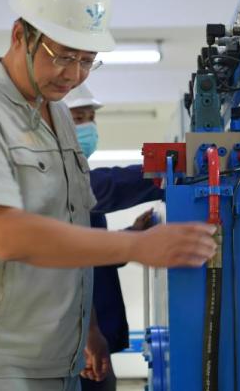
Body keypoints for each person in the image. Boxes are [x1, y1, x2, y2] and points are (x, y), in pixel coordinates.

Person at [0, 0, 216, 391]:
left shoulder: (59, 116)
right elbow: (8, 236)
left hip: (60, 361)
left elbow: (72, 222)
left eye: (87, 60)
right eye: (63, 56)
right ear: (20, 35)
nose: (74, 75)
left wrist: (89, 328)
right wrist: (137, 245)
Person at [64, 84, 164, 390]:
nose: (88, 127)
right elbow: (106, 187)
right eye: (78, 118)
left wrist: (131, 237)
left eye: (91, 118)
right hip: (75, 340)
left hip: (92, 336)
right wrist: (164, 172)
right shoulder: (56, 179)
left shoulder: (74, 173)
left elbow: (92, 248)